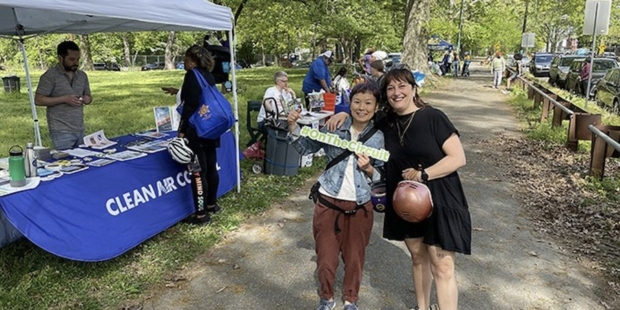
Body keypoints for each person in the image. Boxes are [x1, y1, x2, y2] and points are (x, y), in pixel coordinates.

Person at [325, 67, 471, 310]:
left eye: (402, 86)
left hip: (439, 197)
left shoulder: (433, 117)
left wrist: (425, 174)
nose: (396, 92)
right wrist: (342, 115)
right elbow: (362, 114)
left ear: (414, 89)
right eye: (390, 88)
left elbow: (458, 158)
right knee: (417, 256)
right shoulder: (386, 121)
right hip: (404, 201)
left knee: (442, 265)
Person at [287, 82, 385, 310]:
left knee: (354, 258)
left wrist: (370, 169)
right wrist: (293, 125)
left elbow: (383, 176)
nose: (362, 107)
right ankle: (327, 297)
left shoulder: (380, 138)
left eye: (368, 103)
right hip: (328, 202)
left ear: (376, 107)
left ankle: (351, 299)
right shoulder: (334, 126)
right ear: (349, 104)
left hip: (360, 206)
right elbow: (305, 147)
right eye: (357, 102)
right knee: (325, 258)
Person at [177, 45, 223, 225]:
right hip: (211, 127)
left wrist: (181, 131)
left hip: (196, 129)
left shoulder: (192, 75)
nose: (184, 62)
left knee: (198, 172)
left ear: (192, 61)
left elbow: (189, 106)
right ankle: (212, 204)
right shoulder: (208, 75)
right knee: (211, 166)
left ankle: (201, 214)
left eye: (185, 59)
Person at [35, 41, 92, 150]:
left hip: (79, 127)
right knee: (65, 162)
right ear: (60, 58)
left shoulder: (82, 75)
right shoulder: (50, 76)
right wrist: (64, 99)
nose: (75, 62)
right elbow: (38, 100)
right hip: (60, 129)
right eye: (71, 59)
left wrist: (87, 99)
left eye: (78, 59)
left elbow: (89, 96)